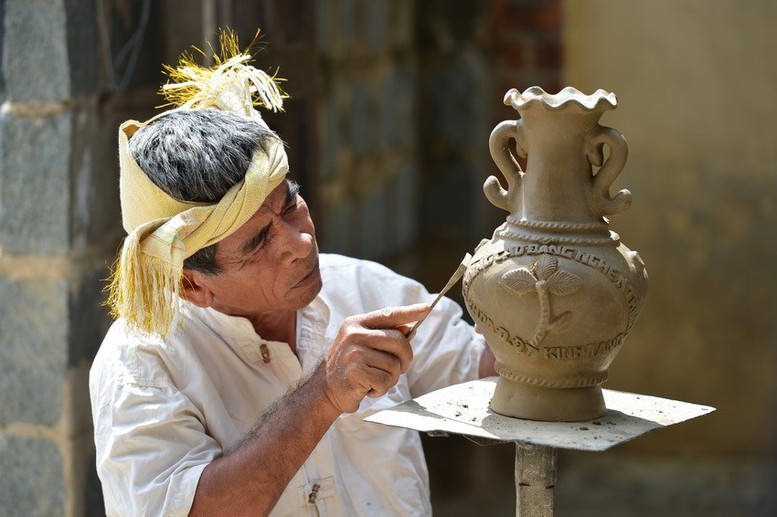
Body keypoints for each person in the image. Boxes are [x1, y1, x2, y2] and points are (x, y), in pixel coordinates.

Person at [90, 32, 495, 516]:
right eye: (259, 242)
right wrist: (324, 392)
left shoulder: (364, 290)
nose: (302, 243)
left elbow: (490, 373)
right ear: (192, 285)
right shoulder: (142, 363)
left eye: (291, 205)